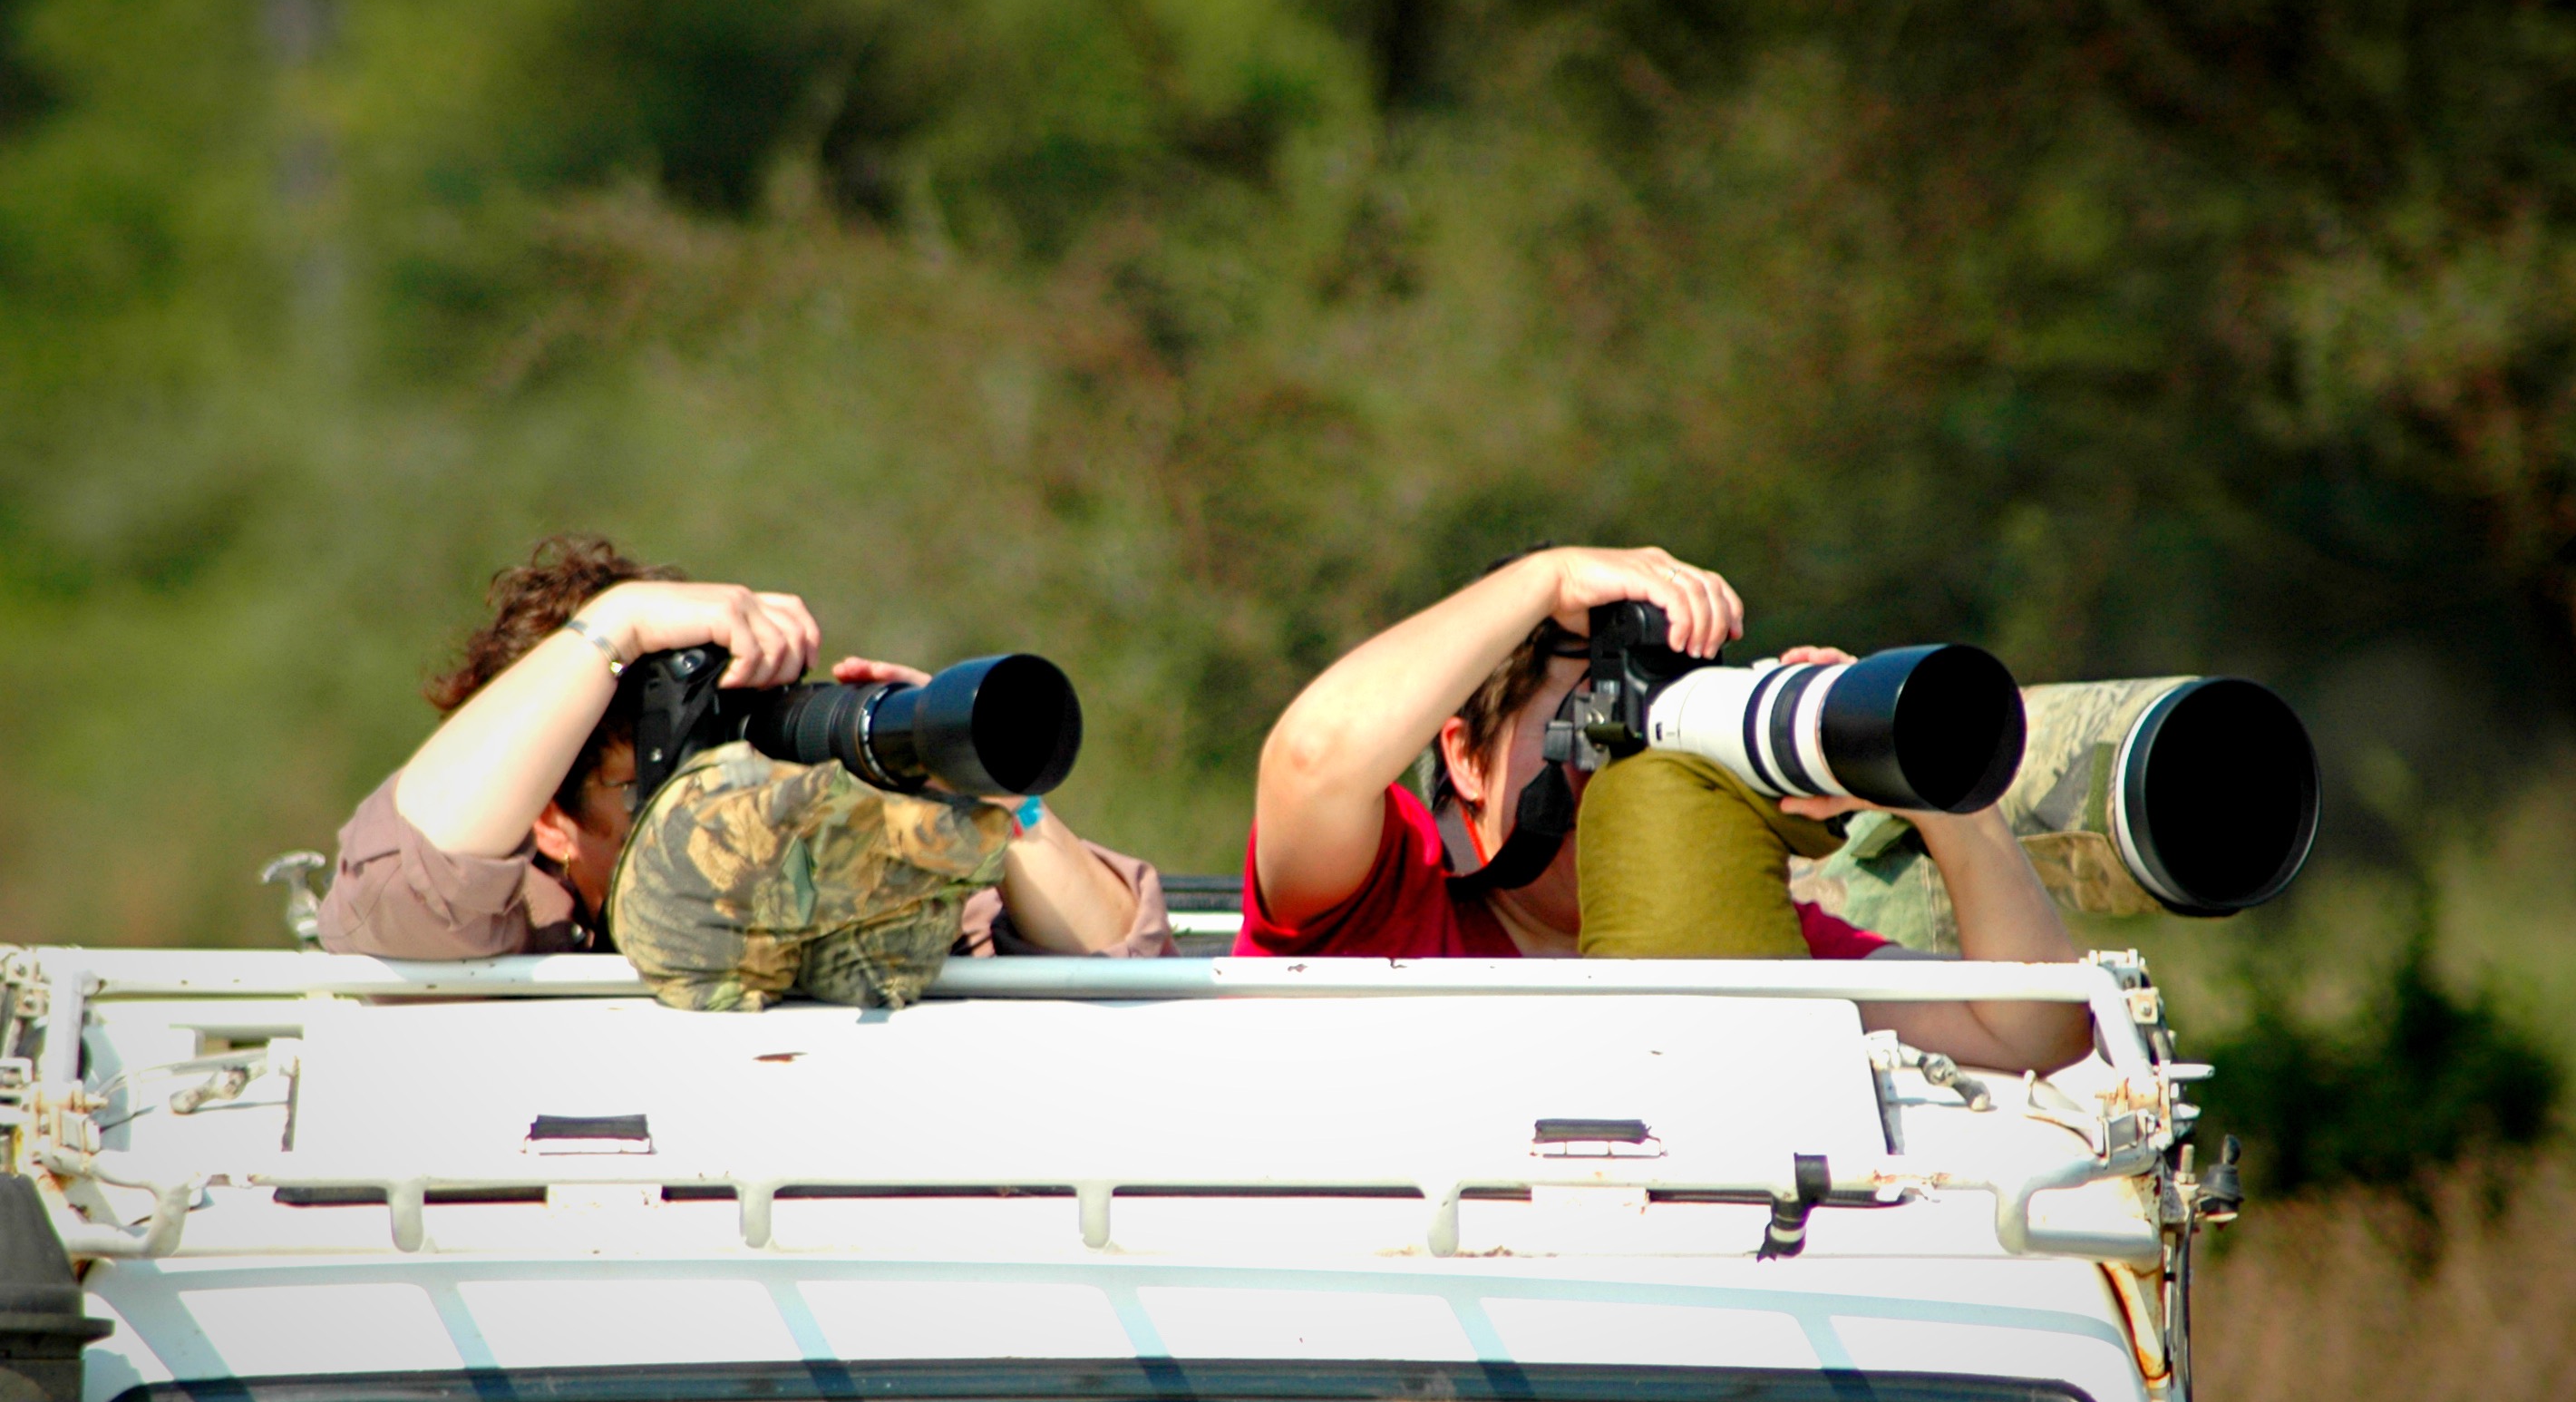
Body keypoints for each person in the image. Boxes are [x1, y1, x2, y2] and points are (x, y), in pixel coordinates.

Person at [1240, 544, 2092, 1073]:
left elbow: (2033, 1032)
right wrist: (1550, 580)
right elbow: (1312, 762)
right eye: (1590, 715)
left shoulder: (1729, 937)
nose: (1623, 763)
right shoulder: (1383, 895)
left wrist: (1935, 794)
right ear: (1463, 754)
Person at [319, 536, 1172, 961]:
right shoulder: (517, 924)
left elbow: (1114, 966)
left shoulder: (837, 869)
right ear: (550, 820)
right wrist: (616, 623)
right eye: (672, 776)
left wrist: (971, 779)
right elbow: (404, 892)